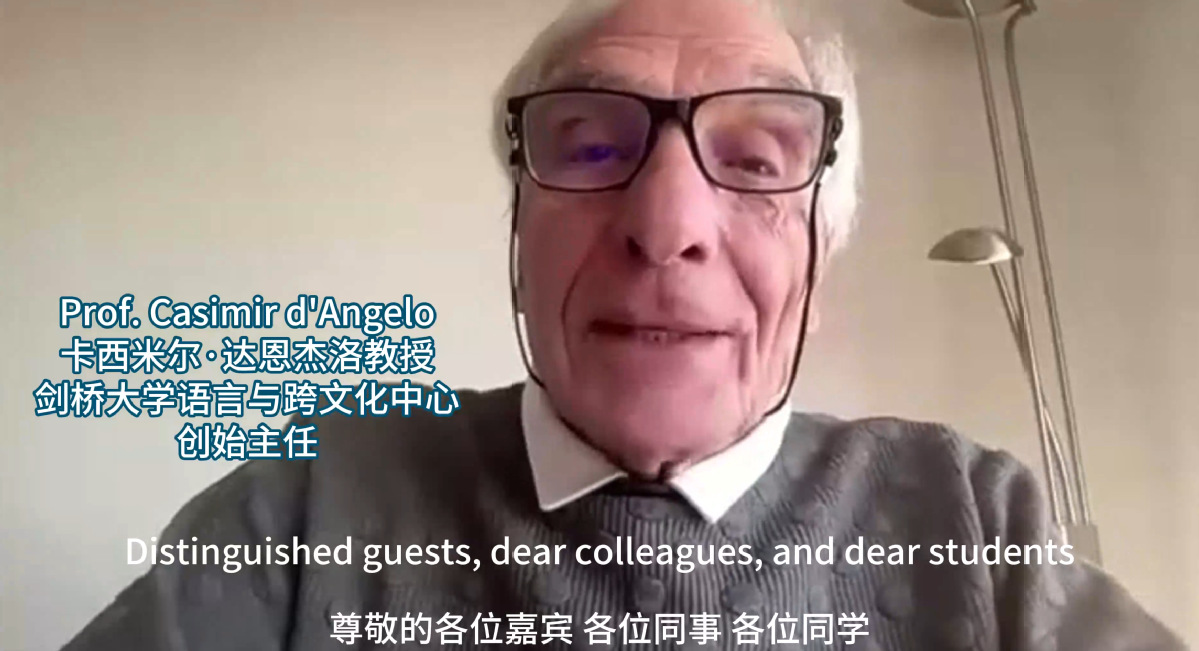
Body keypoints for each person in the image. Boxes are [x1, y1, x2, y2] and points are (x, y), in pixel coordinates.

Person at [64, 0, 1186, 648]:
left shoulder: (972, 521)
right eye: (593, 147)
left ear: (818, 252)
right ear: (520, 228)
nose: (666, 227)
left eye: (755, 161)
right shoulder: (306, 508)